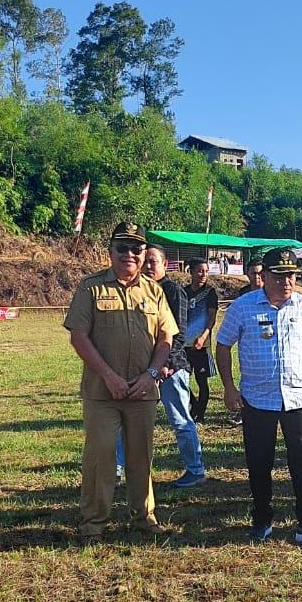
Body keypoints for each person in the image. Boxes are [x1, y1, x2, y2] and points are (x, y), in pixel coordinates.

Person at [63, 221, 176, 540]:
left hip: (143, 391)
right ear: (110, 252)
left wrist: (151, 375)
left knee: (142, 457)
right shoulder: (91, 287)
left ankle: (144, 517)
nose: (130, 254)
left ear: (144, 254)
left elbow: (166, 338)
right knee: (100, 457)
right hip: (103, 391)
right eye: (122, 248)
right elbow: (79, 337)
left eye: (137, 248)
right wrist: (109, 377)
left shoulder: (154, 291)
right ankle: (93, 523)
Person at [215, 247, 302, 545]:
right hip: (257, 399)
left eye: (291, 275)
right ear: (264, 276)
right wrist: (229, 387)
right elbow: (223, 345)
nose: (286, 282)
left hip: (298, 397)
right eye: (279, 276)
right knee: (259, 462)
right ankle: (262, 520)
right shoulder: (242, 307)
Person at [139, 246, 206, 487]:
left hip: (171, 369)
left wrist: (165, 364)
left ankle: (196, 469)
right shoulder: (140, 290)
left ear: (165, 264)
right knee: (131, 419)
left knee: (180, 420)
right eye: (145, 261)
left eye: (153, 262)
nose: (148, 266)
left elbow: (179, 334)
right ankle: (117, 468)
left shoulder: (173, 291)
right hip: (144, 368)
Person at [182, 257, 220, 423]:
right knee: (181, 379)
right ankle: (194, 405)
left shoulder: (210, 293)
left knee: (202, 381)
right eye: (199, 270)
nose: (203, 274)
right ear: (190, 272)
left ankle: (200, 414)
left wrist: (203, 337)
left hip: (201, 344)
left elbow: (211, 318)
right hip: (183, 344)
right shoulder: (183, 292)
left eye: (206, 271)